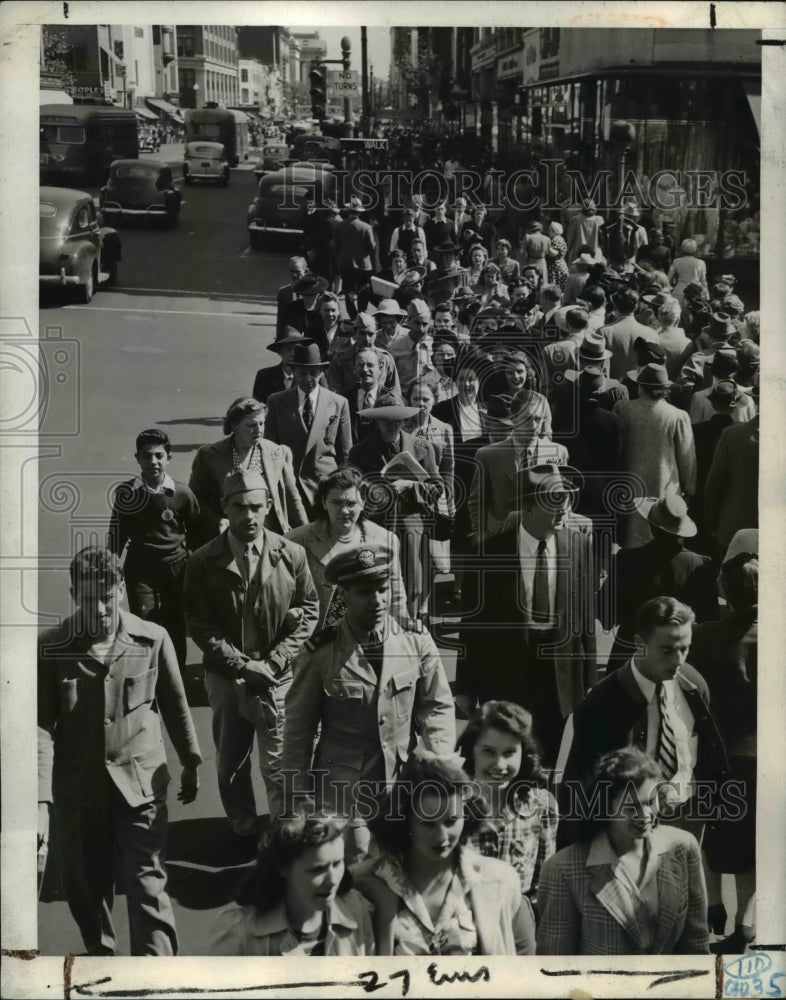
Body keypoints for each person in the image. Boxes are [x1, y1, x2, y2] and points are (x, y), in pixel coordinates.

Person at [38, 546, 202, 955]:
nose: (99, 610)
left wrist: (191, 760)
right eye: (89, 599)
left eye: (107, 598)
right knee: (88, 889)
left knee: (148, 884)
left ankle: (157, 978)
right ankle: (104, 965)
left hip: (140, 786)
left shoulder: (152, 638)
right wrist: (42, 799)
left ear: (122, 591)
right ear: (75, 594)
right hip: (78, 793)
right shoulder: (53, 647)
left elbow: (175, 703)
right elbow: (39, 727)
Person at [282, 545, 455, 839]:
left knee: (401, 863)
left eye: (382, 589)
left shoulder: (415, 640)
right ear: (344, 594)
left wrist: (440, 764)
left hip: (402, 782)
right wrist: (298, 798)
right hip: (342, 790)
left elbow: (437, 706)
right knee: (354, 865)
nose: (376, 600)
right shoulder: (320, 653)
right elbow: (298, 730)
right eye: (364, 592)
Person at [184, 471, 319, 832]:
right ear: (225, 507)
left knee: (281, 759)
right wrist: (241, 664)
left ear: (269, 507)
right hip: (227, 678)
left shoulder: (291, 554)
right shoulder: (201, 560)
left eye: (257, 507)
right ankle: (242, 823)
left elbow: (309, 610)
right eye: (240, 507)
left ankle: (284, 832)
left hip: (279, 676)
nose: (249, 515)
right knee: (231, 758)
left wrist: (274, 660)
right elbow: (199, 623)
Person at [560, 597, 728, 848]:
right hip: (629, 826)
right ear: (639, 644)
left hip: (687, 817)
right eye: (667, 650)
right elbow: (580, 788)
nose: (679, 660)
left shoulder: (694, 684)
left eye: (685, 648)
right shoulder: (601, 705)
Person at [458, 464, 597, 768]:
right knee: (506, 758)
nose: (564, 509)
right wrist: (466, 687)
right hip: (507, 674)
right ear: (529, 507)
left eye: (567, 500)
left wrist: (588, 678)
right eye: (554, 501)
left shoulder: (580, 546)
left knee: (547, 759)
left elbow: (586, 615)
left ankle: (539, 812)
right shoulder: (487, 554)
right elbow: (473, 626)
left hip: (559, 673)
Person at [352, 752, 536, 955]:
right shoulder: (362, 883)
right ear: (405, 821)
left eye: (451, 821)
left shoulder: (501, 880)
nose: (441, 837)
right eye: (428, 824)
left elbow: (524, 961)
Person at [539, 747, 710, 954]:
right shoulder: (563, 869)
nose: (645, 815)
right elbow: (556, 962)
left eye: (650, 803)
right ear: (605, 807)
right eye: (631, 807)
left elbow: (697, 945)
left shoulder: (683, 847)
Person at [689, 532, 757, 954]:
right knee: (754, 843)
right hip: (765, 755)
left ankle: (715, 904)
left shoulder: (703, 636)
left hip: (716, 752)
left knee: (712, 832)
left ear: (724, 592)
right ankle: (744, 921)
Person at [212, 811, 376, 955]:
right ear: (283, 867)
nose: (333, 879)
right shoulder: (239, 934)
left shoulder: (357, 910)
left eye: (338, 863)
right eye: (317, 869)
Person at [107, 428, 199, 670]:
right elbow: (116, 535)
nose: (153, 462)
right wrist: (111, 570)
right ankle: (148, 679)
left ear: (169, 458)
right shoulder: (127, 493)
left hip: (175, 569)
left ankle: (175, 675)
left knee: (174, 623)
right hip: (140, 567)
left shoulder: (182, 494)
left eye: (159, 455)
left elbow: (196, 533)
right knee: (143, 622)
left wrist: (194, 566)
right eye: (147, 456)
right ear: (137, 458)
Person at [347, 394, 444, 623]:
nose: (393, 425)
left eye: (398, 420)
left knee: (412, 583)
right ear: (377, 421)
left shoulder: (422, 448)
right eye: (387, 420)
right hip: (376, 525)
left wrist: (411, 485)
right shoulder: (359, 452)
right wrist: (375, 491)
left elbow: (437, 488)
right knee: (377, 582)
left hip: (411, 527)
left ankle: (408, 631)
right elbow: (353, 487)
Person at [457, 701, 558, 911]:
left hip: (516, 927)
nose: (500, 764)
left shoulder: (541, 807)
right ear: (471, 751)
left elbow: (542, 887)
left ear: (525, 753)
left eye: (510, 752)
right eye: (488, 752)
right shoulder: (452, 806)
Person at [599, 495, 718, 672]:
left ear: (651, 526)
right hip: (680, 655)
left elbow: (605, 612)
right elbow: (709, 618)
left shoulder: (628, 559)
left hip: (632, 651)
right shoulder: (701, 565)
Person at [286, 467, 408, 631]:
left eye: (351, 504)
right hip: (316, 641)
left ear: (363, 503)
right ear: (323, 502)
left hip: (368, 637)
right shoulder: (296, 541)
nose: (344, 511)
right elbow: (285, 598)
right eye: (336, 503)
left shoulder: (385, 540)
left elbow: (397, 598)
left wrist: (403, 634)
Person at [189, 396, 307, 546]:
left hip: (270, 538)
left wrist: (307, 536)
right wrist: (217, 521)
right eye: (251, 425)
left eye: (262, 423)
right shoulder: (208, 456)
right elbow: (195, 501)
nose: (258, 430)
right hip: (228, 538)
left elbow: (293, 500)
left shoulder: (276, 453)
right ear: (234, 426)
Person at [264, 341, 353, 515]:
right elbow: (269, 449)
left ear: (321, 372)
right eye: (302, 373)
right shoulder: (277, 401)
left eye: (313, 373)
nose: (307, 379)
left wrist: (342, 489)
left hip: (325, 489)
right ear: (293, 372)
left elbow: (345, 453)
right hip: (290, 488)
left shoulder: (338, 403)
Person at [614, 364, 697, 549]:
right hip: (665, 487)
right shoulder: (677, 416)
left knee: (632, 544)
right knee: (665, 541)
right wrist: (689, 489)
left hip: (630, 486)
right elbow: (687, 458)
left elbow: (616, 450)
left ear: (640, 386)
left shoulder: (623, 409)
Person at [468, 389, 568, 541]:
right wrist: (482, 537)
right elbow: (477, 502)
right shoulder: (487, 455)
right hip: (500, 537)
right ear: (514, 418)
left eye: (538, 419)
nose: (534, 426)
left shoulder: (558, 453)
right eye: (527, 419)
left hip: (542, 536)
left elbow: (564, 499)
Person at [327, 312, 401, 402]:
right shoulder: (340, 360)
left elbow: (395, 393)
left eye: (370, 334)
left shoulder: (386, 359)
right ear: (354, 334)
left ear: (376, 333)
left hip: (381, 410)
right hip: (351, 410)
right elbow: (334, 393)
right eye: (362, 333)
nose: (366, 339)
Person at [600, 288, 659, 382]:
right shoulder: (652, 333)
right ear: (635, 307)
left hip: (611, 387)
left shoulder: (604, 332)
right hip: (639, 390)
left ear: (615, 307)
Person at [387, 299, 437, 396]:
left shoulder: (435, 347)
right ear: (408, 321)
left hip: (429, 400)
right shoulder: (393, 349)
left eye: (425, 324)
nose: (421, 329)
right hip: (403, 400)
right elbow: (388, 381)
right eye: (417, 323)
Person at [252, 328, 314, 404]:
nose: (293, 353)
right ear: (279, 351)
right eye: (289, 349)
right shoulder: (264, 376)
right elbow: (257, 408)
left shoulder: (313, 376)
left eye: (296, 349)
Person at [334, 197, 376, 308]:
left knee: (348, 290)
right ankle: (362, 312)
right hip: (363, 264)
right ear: (360, 212)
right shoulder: (366, 227)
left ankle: (352, 317)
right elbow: (372, 247)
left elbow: (336, 246)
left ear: (349, 211)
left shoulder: (340, 225)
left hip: (345, 263)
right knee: (364, 289)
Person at [280, 274, 330, 340]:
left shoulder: (325, 307)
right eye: (305, 295)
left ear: (318, 293)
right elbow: (284, 331)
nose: (309, 298)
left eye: (312, 294)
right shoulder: (291, 308)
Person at [276, 256, 309, 336]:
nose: (294, 275)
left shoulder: (314, 292)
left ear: (306, 271)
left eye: (297, 272)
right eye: (291, 271)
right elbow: (281, 321)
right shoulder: (283, 293)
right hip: (290, 339)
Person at [521, 220, 551, 285]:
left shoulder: (528, 237)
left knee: (530, 281)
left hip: (531, 261)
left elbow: (522, 252)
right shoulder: (547, 239)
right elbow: (547, 252)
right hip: (542, 262)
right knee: (543, 282)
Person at [545, 221, 569, 291]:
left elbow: (553, 253)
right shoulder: (559, 238)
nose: (548, 232)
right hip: (558, 265)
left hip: (556, 267)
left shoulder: (557, 239)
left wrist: (546, 247)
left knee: (556, 288)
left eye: (549, 230)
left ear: (554, 231)